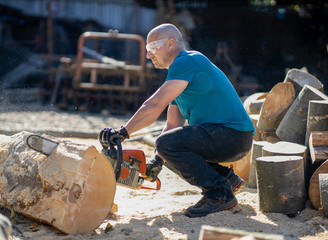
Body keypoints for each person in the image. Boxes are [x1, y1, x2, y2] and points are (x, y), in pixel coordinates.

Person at [99, 23, 254, 218]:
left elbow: (154, 105)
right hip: (229, 137)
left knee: (166, 144)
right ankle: (227, 180)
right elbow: (172, 125)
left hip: (231, 135)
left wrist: (123, 133)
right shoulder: (180, 74)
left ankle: (219, 193)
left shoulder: (187, 61)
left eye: (152, 48)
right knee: (166, 148)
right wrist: (157, 160)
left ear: (171, 43)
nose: (149, 55)